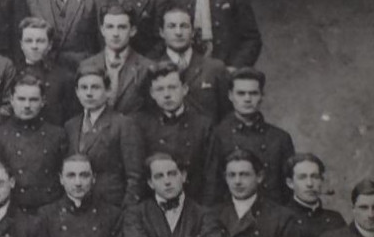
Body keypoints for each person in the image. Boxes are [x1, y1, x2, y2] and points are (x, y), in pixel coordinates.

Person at [204, 68, 295, 206]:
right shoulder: (218, 136)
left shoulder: (280, 138)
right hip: (231, 219)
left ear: (262, 96)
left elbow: (289, 191)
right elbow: (211, 189)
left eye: (253, 93)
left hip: (273, 218)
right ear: (230, 96)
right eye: (241, 93)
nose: (247, 99)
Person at [34, 154, 124, 237]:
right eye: (71, 175)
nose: (78, 182)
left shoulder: (112, 214)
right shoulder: (46, 215)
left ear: (94, 178)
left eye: (84, 175)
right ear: (61, 179)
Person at [0, 75, 69, 211]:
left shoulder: (57, 135)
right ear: (11, 100)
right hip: (13, 213)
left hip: (48, 212)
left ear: (43, 101)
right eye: (21, 99)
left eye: (33, 100)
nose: (27, 105)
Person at [65, 66, 145, 209]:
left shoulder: (123, 124)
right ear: (77, 92)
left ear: (108, 92)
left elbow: (135, 177)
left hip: (111, 205)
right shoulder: (71, 125)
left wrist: (126, 210)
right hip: (78, 207)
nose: (89, 93)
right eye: (84, 88)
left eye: (95, 87)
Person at [138, 63, 216, 207]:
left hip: (194, 204)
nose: (167, 94)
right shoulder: (141, 125)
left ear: (184, 89)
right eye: (160, 89)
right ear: (152, 94)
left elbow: (211, 175)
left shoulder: (203, 125)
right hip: (155, 206)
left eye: (172, 87)